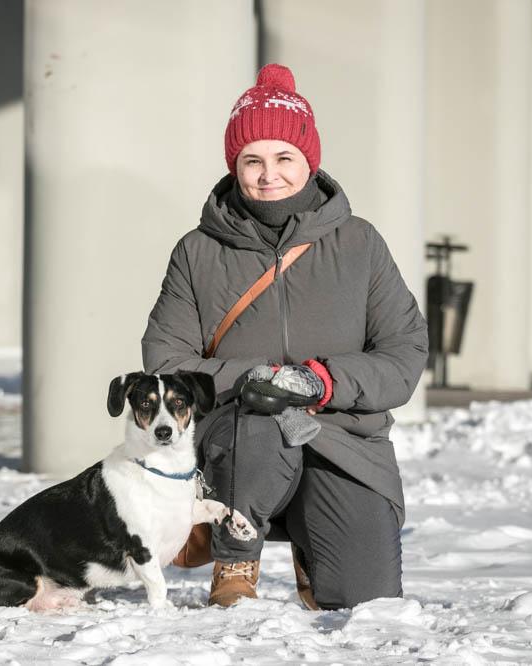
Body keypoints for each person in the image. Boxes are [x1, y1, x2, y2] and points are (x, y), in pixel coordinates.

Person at [141, 63, 428, 610]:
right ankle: (235, 555)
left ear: (309, 162)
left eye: (283, 158)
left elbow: (403, 352)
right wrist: (254, 380)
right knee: (261, 424)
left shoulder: (361, 243)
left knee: (364, 599)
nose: (268, 174)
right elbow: (165, 357)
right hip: (236, 439)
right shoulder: (198, 251)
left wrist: (316, 381)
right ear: (235, 166)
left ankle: (315, 548)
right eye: (252, 160)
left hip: (343, 440)